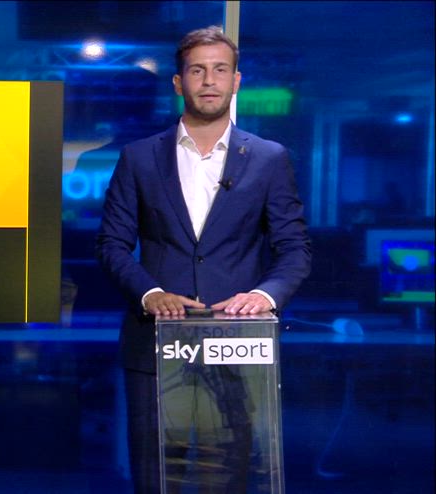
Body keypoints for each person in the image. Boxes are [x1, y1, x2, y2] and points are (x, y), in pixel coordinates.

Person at [95, 26, 311, 493]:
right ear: (179, 83)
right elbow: (112, 244)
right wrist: (150, 294)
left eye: (220, 70)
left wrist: (264, 295)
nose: (209, 81)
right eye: (197, 70)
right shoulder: (138, 158)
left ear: (236, 81)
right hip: (155, 342)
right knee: (155, 475)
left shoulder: (269, 158)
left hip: (236, 343)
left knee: (226, 475)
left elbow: (294, 249)